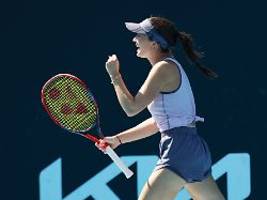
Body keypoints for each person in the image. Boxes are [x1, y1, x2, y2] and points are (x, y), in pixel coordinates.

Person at [96, 16, 225, 200]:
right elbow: (158, 123)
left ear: (155, 43)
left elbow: (131, 108)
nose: (134, 40)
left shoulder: (162, 69)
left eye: (139, 35)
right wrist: (118, 139)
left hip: (179, 149)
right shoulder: (170, 67)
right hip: (194, 150)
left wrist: (115, 75)